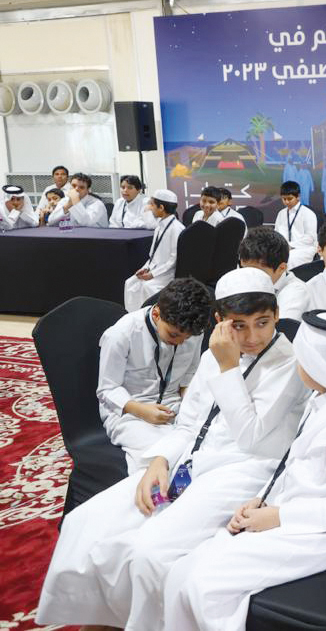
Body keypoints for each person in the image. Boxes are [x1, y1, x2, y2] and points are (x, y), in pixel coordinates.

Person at [37, 268, 307, 630]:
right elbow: (192, 424)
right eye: (239, 325)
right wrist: (160, 460)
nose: (253, 336)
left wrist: (227, 368)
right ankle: (101, 620)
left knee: (149, 553)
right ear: (220, 321)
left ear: (276, 315)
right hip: (193, 461)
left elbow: (251, 436)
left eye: (262, 323)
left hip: (244, 470)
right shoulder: (216, 354)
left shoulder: (287, 363)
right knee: (87, 523)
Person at [162, 310, 326, 630]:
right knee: (182, 571)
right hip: (288, 509)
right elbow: (293, 465)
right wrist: (262, 500)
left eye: (302, 358)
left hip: (322, 531)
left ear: (319, 364)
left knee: (203, 585)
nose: (297, 364)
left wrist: (278, 516)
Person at [98, 278, 212, 471]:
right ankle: (153, 498)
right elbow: (107, 389)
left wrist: (191, 404)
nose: (181, 342)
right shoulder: (121, 334)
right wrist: (142, 410)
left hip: (175, 406)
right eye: (174, 335)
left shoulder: (193, 331)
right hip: (129, 412)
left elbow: (189, 376)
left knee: (206, 447)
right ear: (157, 314)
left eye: (187, 338)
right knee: (161, 454)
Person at [123, 190, 186, 312]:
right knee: (130, 283)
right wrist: (145, 268)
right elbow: (152, 255)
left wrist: (153, 274)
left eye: (152, 204)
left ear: (161, 207)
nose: (149, 208)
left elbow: (173, 259)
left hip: (166, 274)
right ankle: (132, 315)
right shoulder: (159, 226)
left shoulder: (177, 229)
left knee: (147, 287)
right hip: (154, 270)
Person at [238, 227, 311, 320]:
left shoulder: (296, 292)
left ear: (281, 268)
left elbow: (281, 328)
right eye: (244, 269)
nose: (249, 277)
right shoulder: (243, 280)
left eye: (257, 273)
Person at [274, 180, 318, 269]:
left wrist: (291, 246)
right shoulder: (281, 213)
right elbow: (276, 234)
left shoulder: (308, 213)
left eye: (289, 199)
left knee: (290, 258)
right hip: (284, 249)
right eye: (284, 199)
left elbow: (310, 238)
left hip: (305, 248)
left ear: (298, 196)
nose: (286, 202)